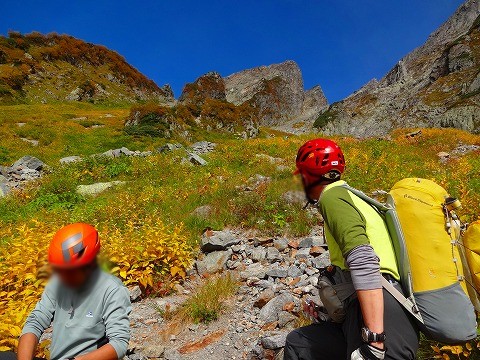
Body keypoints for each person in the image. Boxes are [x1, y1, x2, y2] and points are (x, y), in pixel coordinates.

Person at [284, 139, 419, 360]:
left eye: (300, 175)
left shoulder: (333, 198)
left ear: (308, 175)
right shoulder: (353, 197)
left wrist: (375, 340)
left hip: (383, 321)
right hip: (377, 312)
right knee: (298, 344)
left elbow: (364, 260)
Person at [0, 223, 132, 360]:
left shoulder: (112, 290)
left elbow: (118, 344)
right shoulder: (58, 283)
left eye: (70, 271)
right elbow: (35, 322)